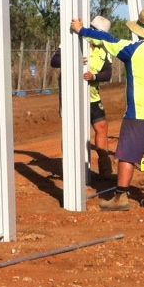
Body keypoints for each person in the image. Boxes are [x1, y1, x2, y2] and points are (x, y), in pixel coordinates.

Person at [69, 7, 144, 211]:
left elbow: (107, 39)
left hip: (140, 112)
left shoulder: (132, 49)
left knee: (127, 154)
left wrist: (82, 30)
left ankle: (121, 197)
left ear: (138, 30)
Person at [51, 16, 115, 178]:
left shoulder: (105, 50)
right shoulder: (73, 41)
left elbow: (108, 73)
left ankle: (104, 166)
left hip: (92, 96)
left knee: (101, 127)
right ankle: (70, 168)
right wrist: (74, 60)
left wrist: (94, 77)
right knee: (71, 131)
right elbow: (55, 60)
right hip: (71, 96)